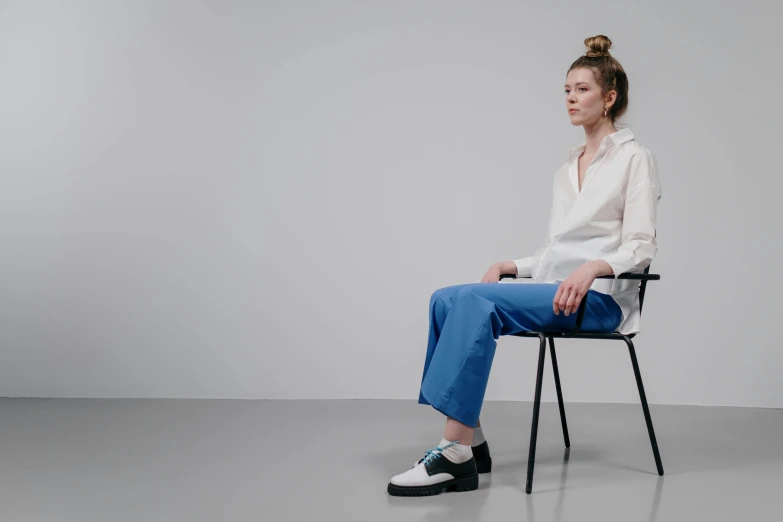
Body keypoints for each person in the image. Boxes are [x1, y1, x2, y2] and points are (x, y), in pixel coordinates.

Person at [387, 34, 662, 497]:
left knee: (475, 300)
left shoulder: (635, 159)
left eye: (582, 89)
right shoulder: (567, 166)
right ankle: (472, 443)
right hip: (557, 290)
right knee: (445, 299)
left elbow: (640, 244)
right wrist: (512, 264)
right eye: (567, 91)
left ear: (609, 97)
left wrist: (593, 268)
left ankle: (451, 454)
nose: (571, 99)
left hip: (599, 301)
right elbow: (559, 251)